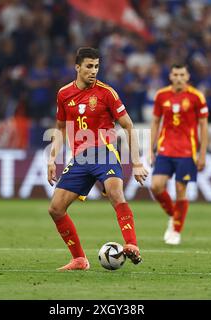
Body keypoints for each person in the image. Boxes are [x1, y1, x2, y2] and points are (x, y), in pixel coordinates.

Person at [47, 47, 148, 271]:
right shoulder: (64, 94)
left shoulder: (107, 93)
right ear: (77, 67)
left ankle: (131, 244)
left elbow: (128, 125)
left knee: (115, 192)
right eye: (89, 66)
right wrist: (52, 159)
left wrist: (137, 162)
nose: (94, 71)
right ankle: (79, 260)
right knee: (55, 208)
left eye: (97, 67)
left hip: (105, 152)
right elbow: (61, 128)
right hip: (80, 158)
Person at [149, 63, 209, 245]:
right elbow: (155, 122)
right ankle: (174, 215)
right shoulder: (161, 95)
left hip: (186, 151)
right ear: (170, 76)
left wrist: (202, 153)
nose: (179, 78)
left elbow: (204, 126)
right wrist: (151, 149)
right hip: (165, 148)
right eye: (175, 74)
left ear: (188, 76)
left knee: (180, 190)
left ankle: (175, 230)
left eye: (182, 74)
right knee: (156, 186)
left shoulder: (196, 97)